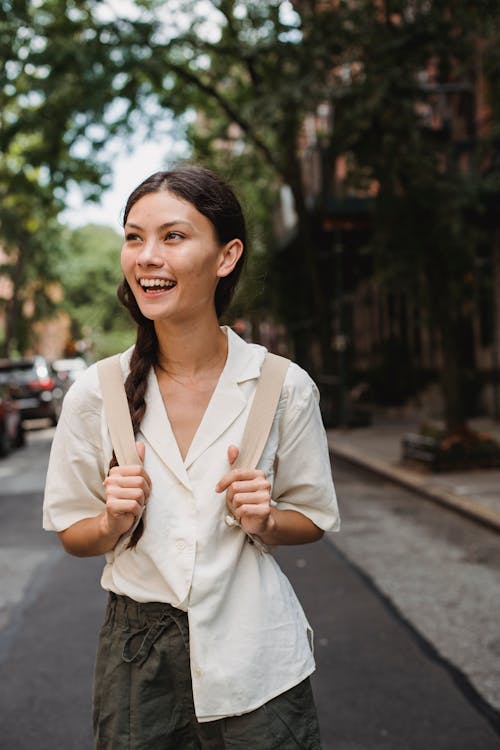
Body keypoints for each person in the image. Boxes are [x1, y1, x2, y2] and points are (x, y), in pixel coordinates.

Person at [43, 165, 340, 750]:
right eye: (134, 237)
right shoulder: (94, 394)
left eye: (173, 237)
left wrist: (266, 519)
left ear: (226, 256)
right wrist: (109, 522)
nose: (147, 256)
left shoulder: (282, 386)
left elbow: (313, 518)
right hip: (136, 672)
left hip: (260, 664)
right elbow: (71, 532)